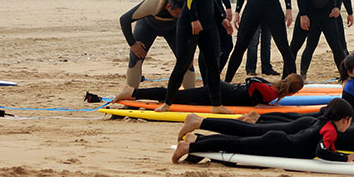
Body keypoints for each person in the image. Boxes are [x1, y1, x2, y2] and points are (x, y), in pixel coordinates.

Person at [172, 98, 354, 164]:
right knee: (237, 143)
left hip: (280, 142)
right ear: (344, 120)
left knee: (237, 141)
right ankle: (192, 145)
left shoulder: (326, 125)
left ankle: (196, 143)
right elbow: (323, 151)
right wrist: (348, 157)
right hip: (279, 144)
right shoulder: (329, 131)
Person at [156, 0, 233, 114]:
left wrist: (222, 19)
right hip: (189, 23)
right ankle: (167, 103)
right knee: (183, 63)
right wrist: (193, 19)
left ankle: (216, 105)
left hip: (208, 24)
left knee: (213, 63)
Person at [117, 0, 194, 92]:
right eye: (177, 13)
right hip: (148, 25)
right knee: (136, 57)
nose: (180, 16)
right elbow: (124, 19)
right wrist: (133, 44)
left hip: (174, 27)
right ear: (168, 6)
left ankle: (191, 97)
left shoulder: (188, 5)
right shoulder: (152, 4)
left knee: (187, 60)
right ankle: (130, 95)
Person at [124, 74, 304, 107]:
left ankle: (135, 93)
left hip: (222, 91)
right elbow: (252, 81)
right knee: (176, 96)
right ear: (292, 92)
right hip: (219, 92)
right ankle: (133, 93)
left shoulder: (272, 90)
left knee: (178, 96)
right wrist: (259, 104)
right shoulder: (271, 92)